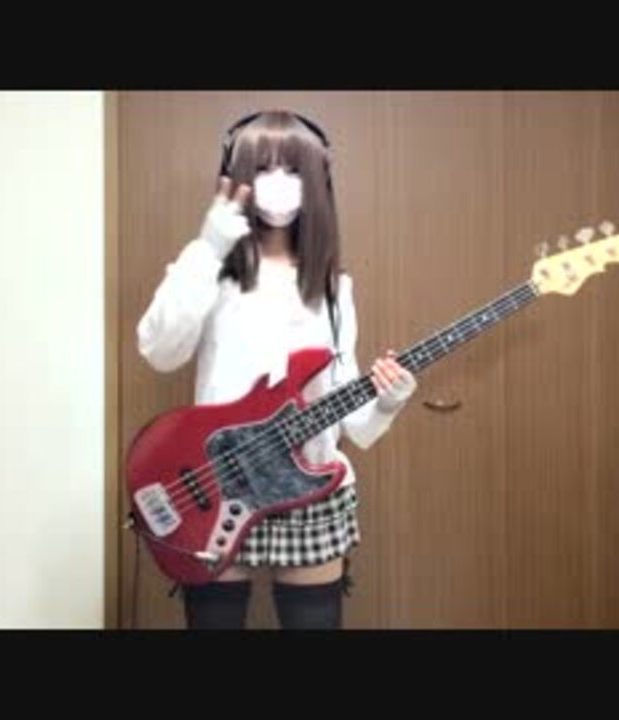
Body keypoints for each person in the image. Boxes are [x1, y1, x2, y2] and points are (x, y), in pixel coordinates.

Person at [135, 110, 417, 629]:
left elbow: (352, 423)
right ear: (237, 175)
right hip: (216, 484)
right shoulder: (209, 271)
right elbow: (159, 350)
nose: (279, 183)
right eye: (263, 169)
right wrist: (209, 246)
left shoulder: (333, 289)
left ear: (317, 183)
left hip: (308, 487)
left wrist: (387, 400)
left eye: (294, 170)